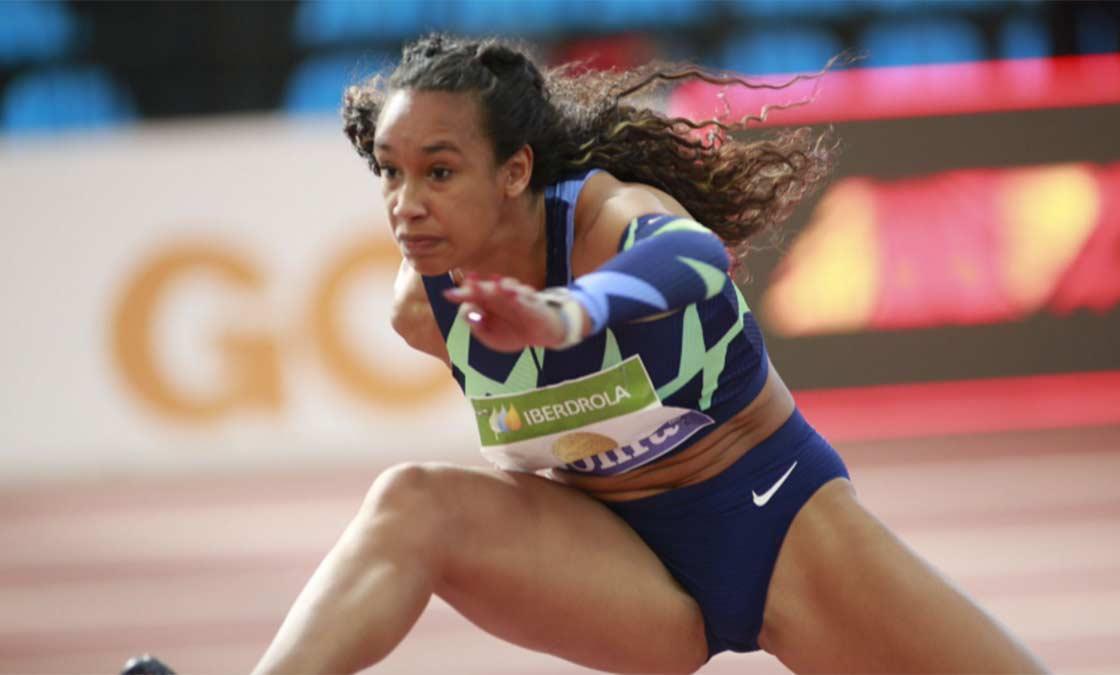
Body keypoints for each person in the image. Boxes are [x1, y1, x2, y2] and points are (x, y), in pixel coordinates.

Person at [244, 35, 1047, 675]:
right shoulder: (424, 310)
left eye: (440, 172)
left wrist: (568, 311)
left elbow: (697, 257)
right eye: (391, 172)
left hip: (774, 523)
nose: (406, 204)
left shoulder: (603, 221)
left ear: (515, 171)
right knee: (411, 503)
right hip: (619, 566)